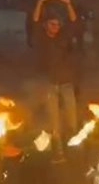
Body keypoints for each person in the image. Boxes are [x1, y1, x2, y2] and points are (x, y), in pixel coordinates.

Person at [34, 16, 80, 156]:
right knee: (54, 117)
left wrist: (67, 3)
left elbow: (73, 22)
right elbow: (35, 21)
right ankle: (58, 148)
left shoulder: (63, 38)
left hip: (66, 83)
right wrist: (41, 0)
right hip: (50, 84)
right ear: (45, 25)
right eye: (52, 23)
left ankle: (73, 145)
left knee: (72, 115)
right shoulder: (42, 39)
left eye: (58, 24)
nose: (55, 26)